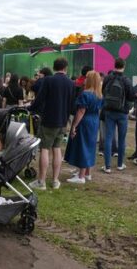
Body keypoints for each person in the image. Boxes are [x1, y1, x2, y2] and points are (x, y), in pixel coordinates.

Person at [28, 57, 75, 190]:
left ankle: (41, 181)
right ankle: (55, 180)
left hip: (48, 120)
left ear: (54, 67)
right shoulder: (71, 83)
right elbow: (72, 105)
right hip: (62, 121)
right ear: (66, 68)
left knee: (44, 148)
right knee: (57, 149)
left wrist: (30, 108)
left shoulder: (48, 80)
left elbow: (39, 99)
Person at [65, 71, 103, 184]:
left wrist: (74, 126)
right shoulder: (99, 95)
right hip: (94, 121)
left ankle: (81, 176)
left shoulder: (85, 94)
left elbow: (81, 111)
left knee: (83, 146)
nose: (84, 79)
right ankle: (87, 173)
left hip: (85, 121)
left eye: (86, 78)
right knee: (90, 145)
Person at [101, 58, 135, 173]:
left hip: (109, 111)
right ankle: (120, 164)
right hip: (122, 113)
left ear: (114, 65)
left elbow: (103, 91)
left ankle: (107, 166)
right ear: (124, 66)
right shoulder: (126, 80)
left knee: (108, 138)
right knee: (122, 139)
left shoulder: (108, 78)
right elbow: (131, 97)